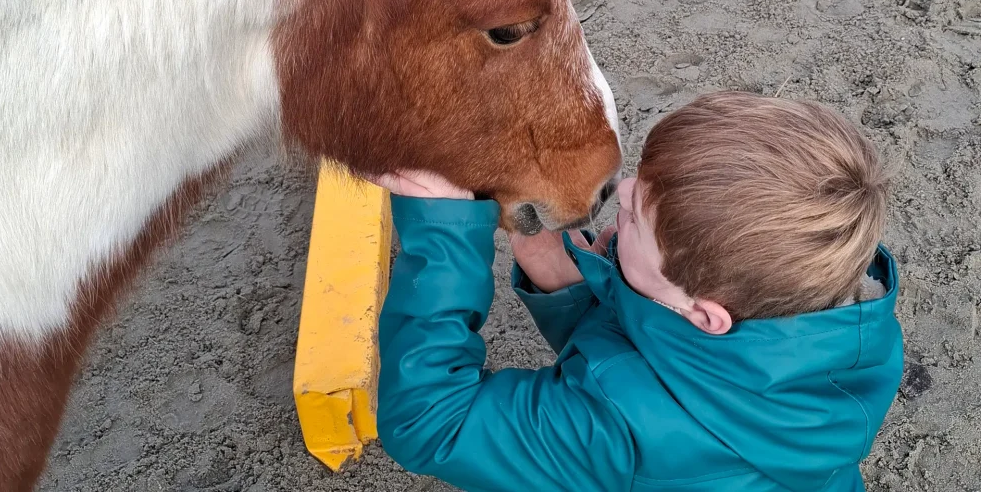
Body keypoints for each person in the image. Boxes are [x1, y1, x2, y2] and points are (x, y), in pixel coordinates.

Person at [371, 91, 903, 492]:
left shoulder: (620, 431)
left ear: (705, 314)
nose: (620, 190)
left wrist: (444, 233)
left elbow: (429, 423)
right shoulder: (836, 339)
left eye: (632, 217)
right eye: (637, 185)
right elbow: (673, 361)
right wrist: (567, 286)